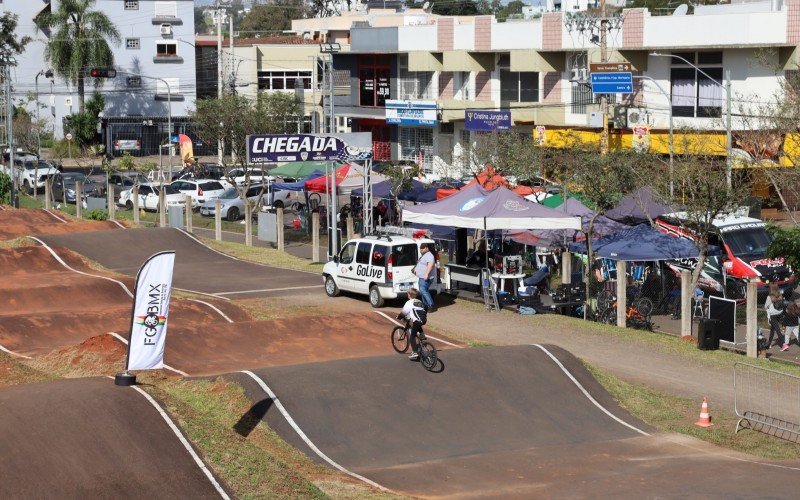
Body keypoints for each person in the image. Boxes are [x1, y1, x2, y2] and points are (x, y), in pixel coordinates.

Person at [397, 288, 428, 361]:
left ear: (408, 295)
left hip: (417, 320)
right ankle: (422, 334)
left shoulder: (409, 302)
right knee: (417, 324)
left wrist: (399, 317)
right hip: (424, 319)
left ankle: (415, 353)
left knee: (412, 337)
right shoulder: (419, 301)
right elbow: (425, 307)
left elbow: (404, 313)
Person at [415, 242, 436, 311]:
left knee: (423, 290)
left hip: (425, 277)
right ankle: (426, 305)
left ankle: (431, 305)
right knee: (423, 291)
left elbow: (430, 265)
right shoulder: (424, 255)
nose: (421, 250)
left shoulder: (429, 255)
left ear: (427, 248)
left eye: (422, 248)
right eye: (420, 249)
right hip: (422, 277)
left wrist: (426, 274)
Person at [764, 284, 785, 349]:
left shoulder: (769, 297)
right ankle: (769, 344)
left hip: (773, 315)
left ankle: (783, 344)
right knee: (772, 330)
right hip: (780, 313)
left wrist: (767, 308)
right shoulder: (780, 295)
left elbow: (765, 306)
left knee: (777, 330)